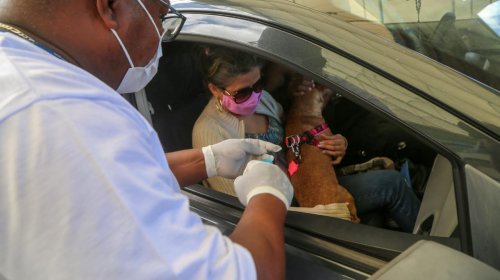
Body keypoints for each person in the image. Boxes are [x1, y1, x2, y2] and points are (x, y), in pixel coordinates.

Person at [0, 1, 294, 279]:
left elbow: (117, 174)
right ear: (110, 7)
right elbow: (244, 274)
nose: (162, 35)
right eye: (160, 15)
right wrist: (270, 194)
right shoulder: (60, 113)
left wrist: (208, 160)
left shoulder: (22, 75)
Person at [192, 45, 420, 232]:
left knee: (392, 182)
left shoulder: (265, 101)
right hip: (285, 213)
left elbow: (297, 139)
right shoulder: (209, 131)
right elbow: (236, 210)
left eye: (258, 85)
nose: (254, 96)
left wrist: (336, 143)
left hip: (305, 184)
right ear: (215, 89)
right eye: (242, 93)